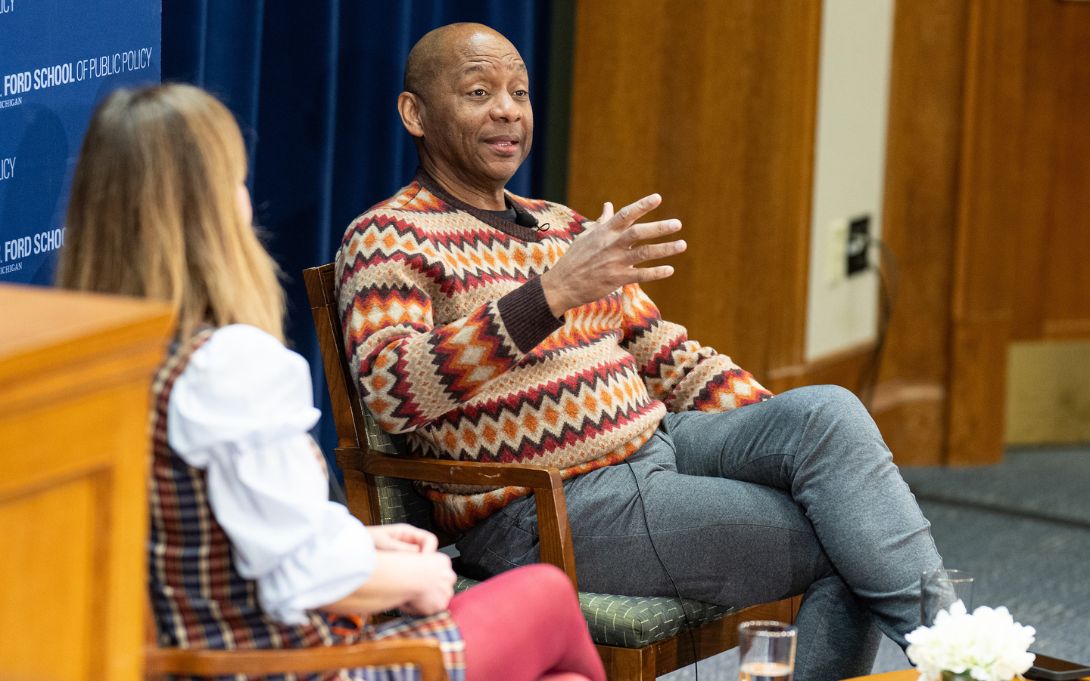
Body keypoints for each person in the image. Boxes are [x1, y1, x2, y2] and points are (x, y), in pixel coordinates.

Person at [335, 23, 945, 681]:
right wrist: (552, 293)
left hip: (660, 443)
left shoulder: (564, 224)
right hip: (550, 505)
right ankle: (968, 657)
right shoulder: (387, 237)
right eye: (479, 91)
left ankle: (967, 654)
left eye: (519, 91)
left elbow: (664, 354)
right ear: (415, 114)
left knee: (828, 416)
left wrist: (804, 460)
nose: (508, 108)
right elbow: (391, 392)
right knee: (850, 545)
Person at [57, 83, 605, 681]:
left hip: (201, 657)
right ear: (207, 207)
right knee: (548, 595)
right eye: (236, 182)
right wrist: (415, 578)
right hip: (293, 665)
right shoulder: (227, 367)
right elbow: (300, 574)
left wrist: (366, 545)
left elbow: (244, 534)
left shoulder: (96, 363)